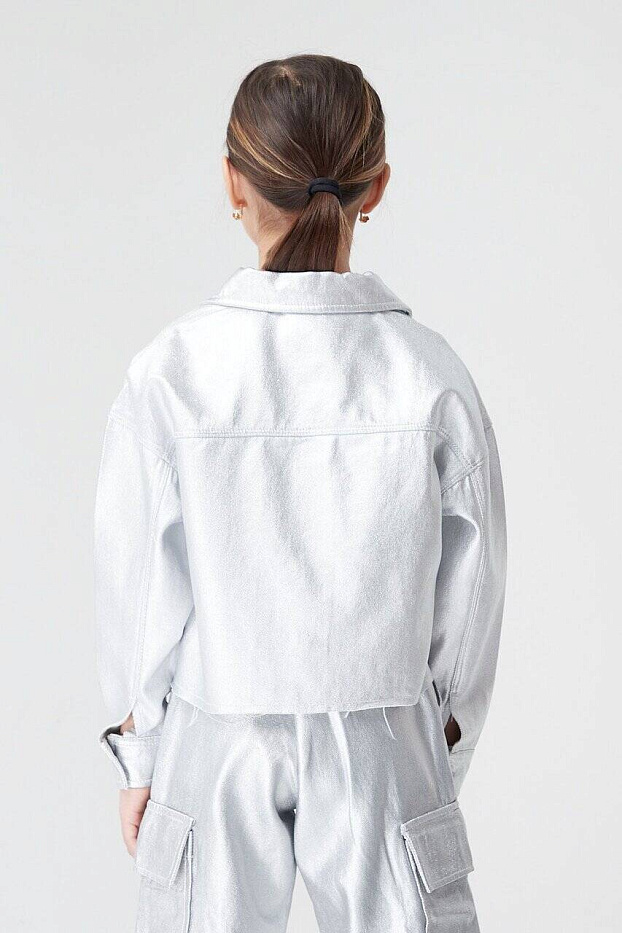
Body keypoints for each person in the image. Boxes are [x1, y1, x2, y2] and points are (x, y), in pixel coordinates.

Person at [94, 54, 507, 933]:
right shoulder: (431, 374)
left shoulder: (174, 371)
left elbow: (140, 587)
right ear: (376, 187)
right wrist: (435, 748)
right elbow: (471, 600)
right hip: (386, 728)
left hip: (214, 730)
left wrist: (142, 755)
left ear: (233, 184)